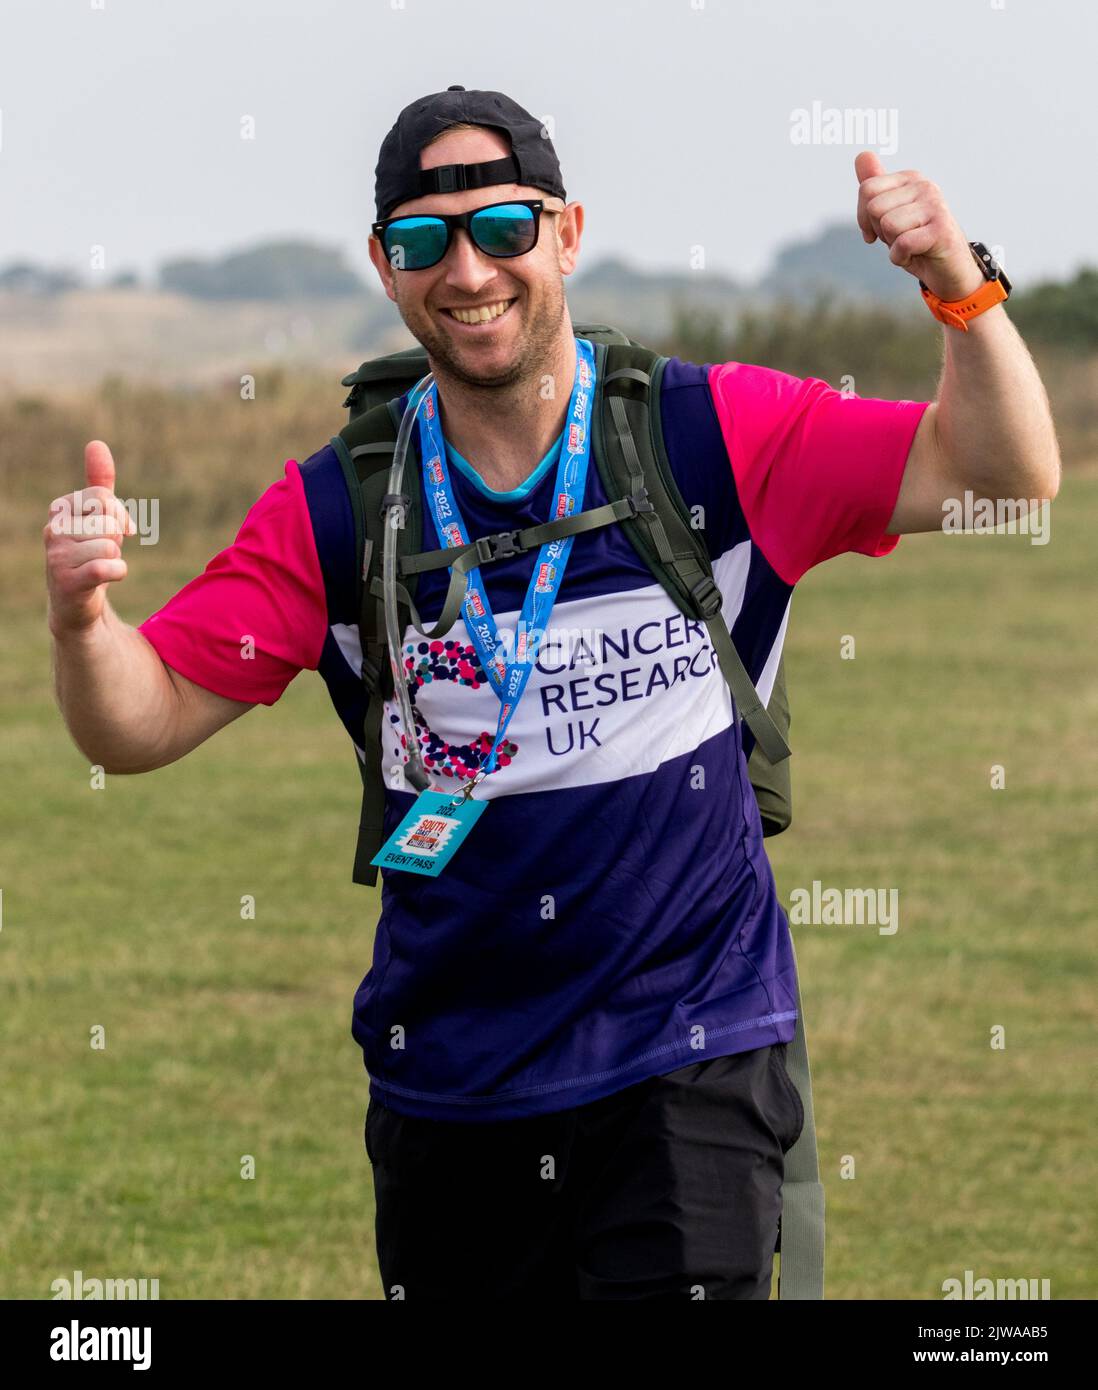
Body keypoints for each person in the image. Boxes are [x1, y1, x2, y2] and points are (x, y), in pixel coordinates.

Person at [44, 86, 1060, 1301]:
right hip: (450, 1084)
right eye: (425, 241)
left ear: (568, 234)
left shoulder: (710, 435)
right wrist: (82, 621)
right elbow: (140, 717)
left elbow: (1004, 469)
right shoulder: (341, 506)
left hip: (689, 1066)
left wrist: (955, 276)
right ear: (385, 267)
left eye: (505, 228)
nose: (468, 269)